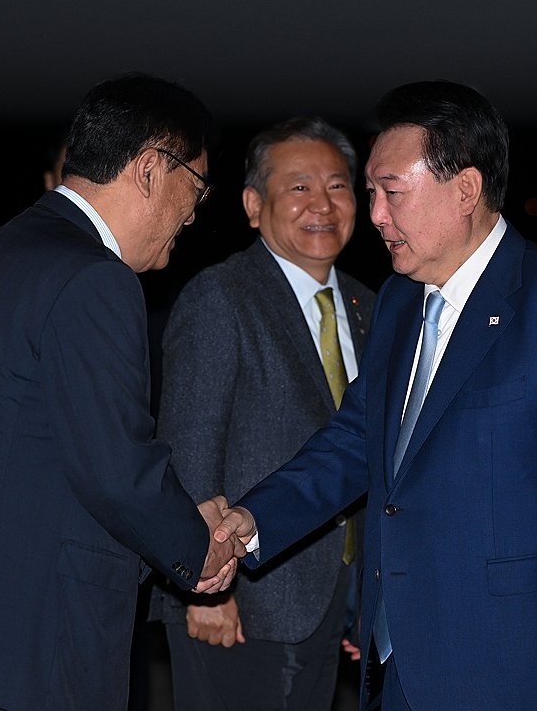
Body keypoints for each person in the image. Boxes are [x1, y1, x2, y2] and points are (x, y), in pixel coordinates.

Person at [213, 80, 537, 710]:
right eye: (372, 193)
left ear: (466, 190)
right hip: (399, 660)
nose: (377, 216)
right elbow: (356, 440)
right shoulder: (398, 301)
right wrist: (252, 522)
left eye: (391, 193)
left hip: (517, 664)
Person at [0, 72, 246, 711]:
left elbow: (36, 453)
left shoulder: (3, 249)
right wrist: (196, 544)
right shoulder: (96, 280)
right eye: (196, 188)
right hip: (20, 647)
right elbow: (116, 468)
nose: (194, 213)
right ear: (152, 167)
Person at [150, 115, 377, 710]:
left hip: (334, 598)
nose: (322, 204)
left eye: (337, 185)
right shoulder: (220, 297)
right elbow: (187, 446)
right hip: (241, 599)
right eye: (298, 187)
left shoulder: (372, 307)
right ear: (253, 205)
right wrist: (200, 589)